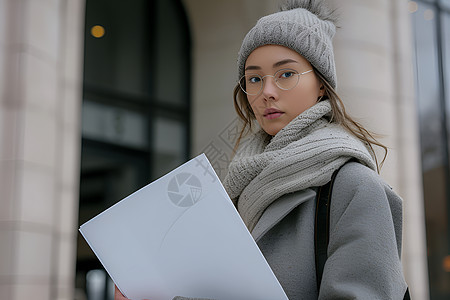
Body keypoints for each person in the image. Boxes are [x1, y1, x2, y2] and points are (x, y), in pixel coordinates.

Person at [116, 0, 408, 299]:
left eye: (285, 74)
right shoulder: (236, 187)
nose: (266, 92)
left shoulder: (356, 187)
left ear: (321, 84)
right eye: (254, 79)